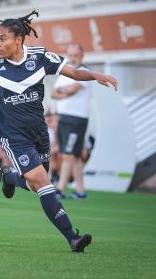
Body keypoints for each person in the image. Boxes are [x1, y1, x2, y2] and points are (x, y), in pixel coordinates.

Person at [0, 10, 117, 253]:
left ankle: (9, 177)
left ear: (19, 39)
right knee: (43, 181)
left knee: (35, 186)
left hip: (39, 133)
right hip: (13, 135)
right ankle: (73, 239)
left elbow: (72, 72)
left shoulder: (41, 57)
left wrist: (96, 75)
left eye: (2, 39)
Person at [51, 44, 92, 199]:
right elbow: (53, 93)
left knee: (68, 155)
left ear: (82, 55)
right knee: (73, 156)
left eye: (75, 55)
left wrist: (63, 91)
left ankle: (60, 189)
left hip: (77, 119)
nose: (73, 58)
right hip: (63, 117)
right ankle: (80, 190)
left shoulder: (85, 72)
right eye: (70, 55)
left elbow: (72, 89)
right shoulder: (65, 72)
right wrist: (64, 92)